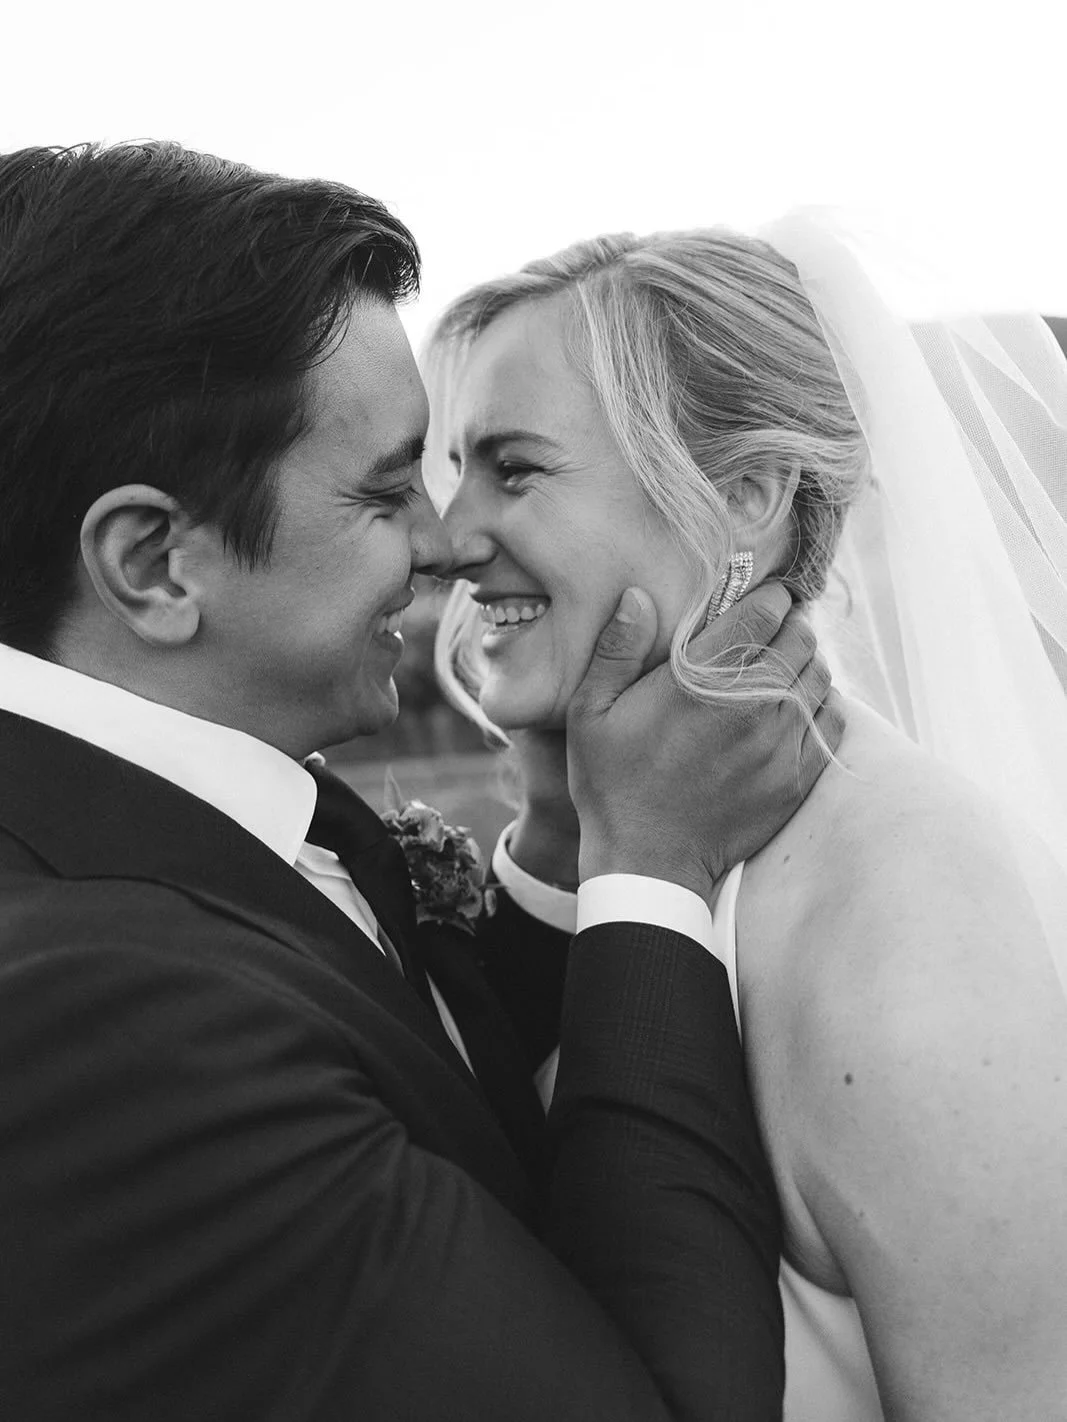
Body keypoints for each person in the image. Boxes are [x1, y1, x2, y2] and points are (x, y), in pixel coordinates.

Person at [0, 142, 846, 1422]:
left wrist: (561, 842)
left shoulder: (213, 805)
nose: (448, 544)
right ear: (155, 565)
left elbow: (403, 1081)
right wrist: (650, 864)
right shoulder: (96, 1027)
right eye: (388, 488)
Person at [428, 218, 1067, 1422]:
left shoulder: (907, 918)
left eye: (513, 469)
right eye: (450, 470)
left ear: (742, 499)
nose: (448, 540)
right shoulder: (620, 847)